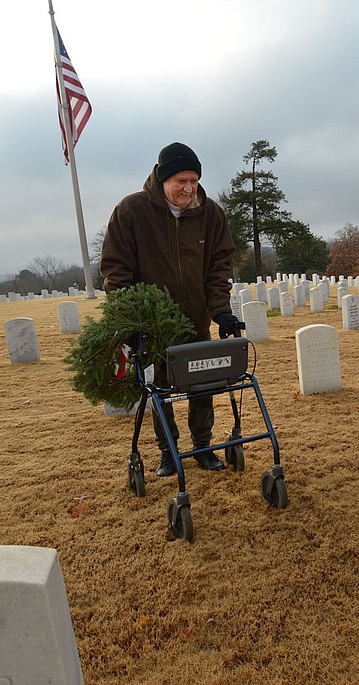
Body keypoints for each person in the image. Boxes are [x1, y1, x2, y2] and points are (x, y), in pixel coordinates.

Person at [100, 142, 242, 476]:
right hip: (156, 326)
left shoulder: (211, 215)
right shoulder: (132, 212)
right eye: (181, 181)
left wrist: (220, 310)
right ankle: (168, 451)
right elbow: (116, 271)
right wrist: (131, 320)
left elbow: (219, 268)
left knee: (204, 386)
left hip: (196, 319)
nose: (189, 189)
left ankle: (203, 447)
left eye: (194, 181)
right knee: (163, 389)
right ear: (163, 178)